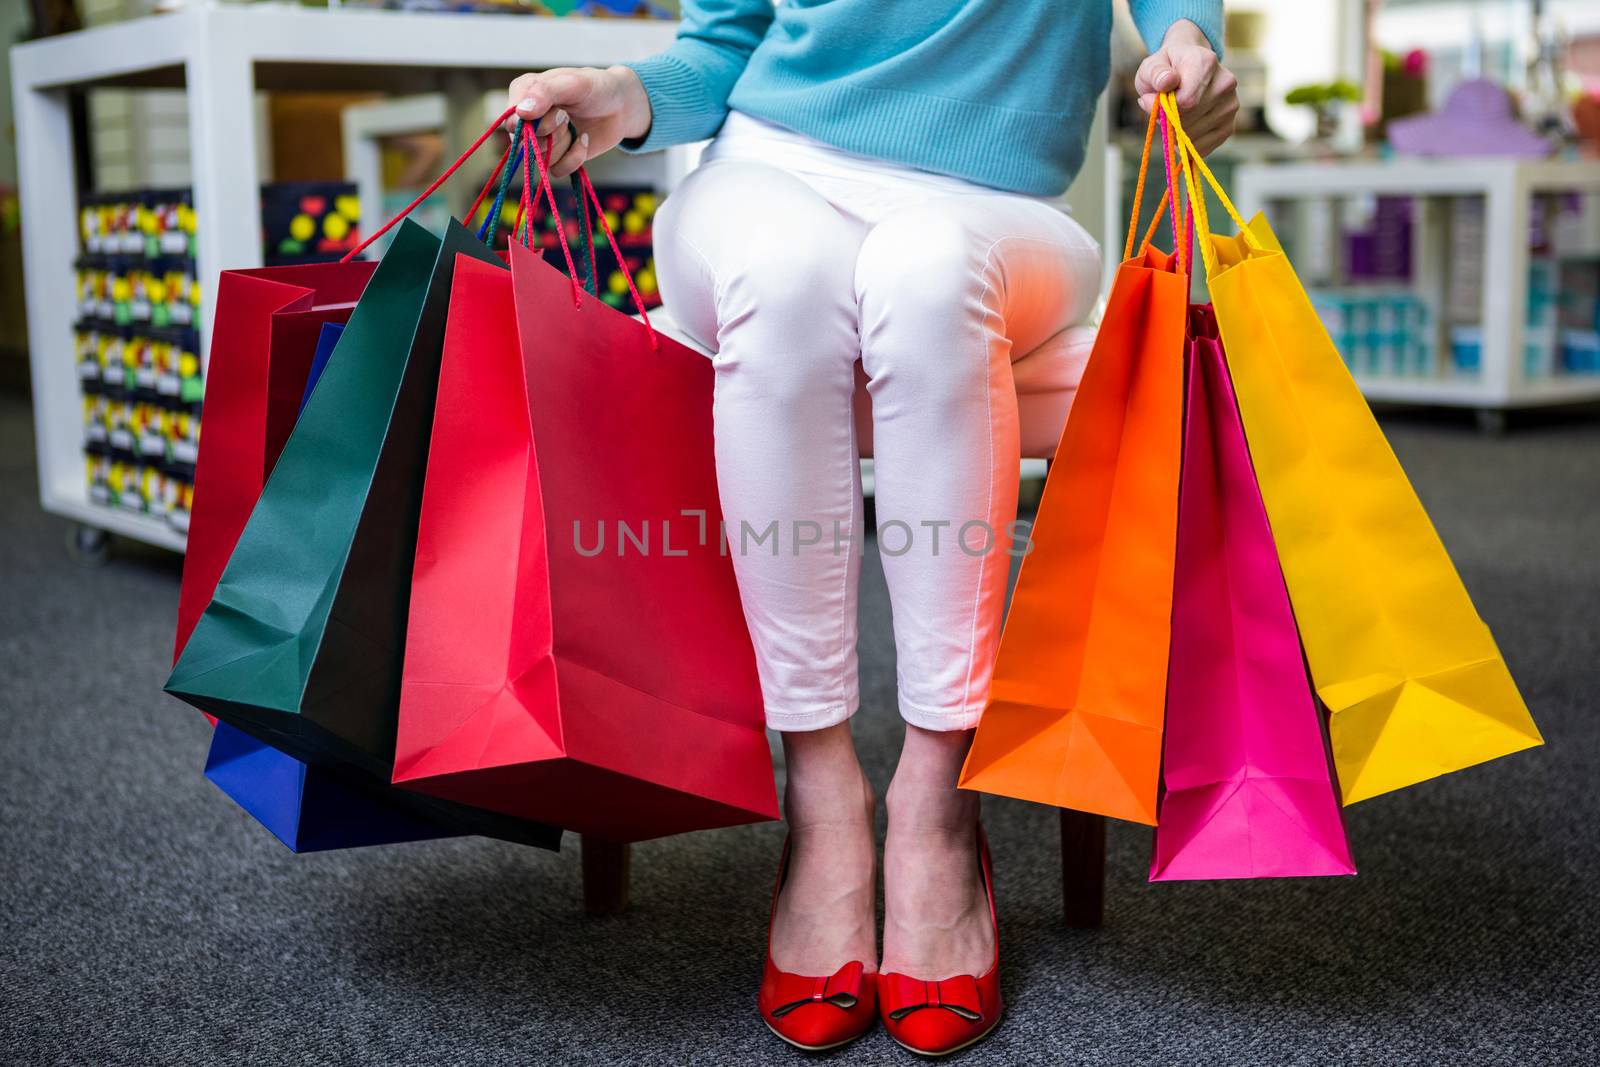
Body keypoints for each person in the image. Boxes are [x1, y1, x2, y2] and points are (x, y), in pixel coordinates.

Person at [505, 1, 1237, 1054]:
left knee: (927, 271)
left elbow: (1180, 21)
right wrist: (621, 98)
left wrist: (1191, 50)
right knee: (785, 273)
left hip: (995, 207)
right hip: (764, 177)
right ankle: (821, 790)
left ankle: (938, 794)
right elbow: (724, 44)